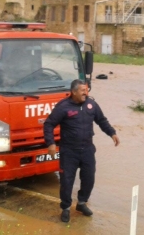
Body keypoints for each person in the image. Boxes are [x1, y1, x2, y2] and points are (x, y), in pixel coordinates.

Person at [43, 80, 120, 223]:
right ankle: (65, 208)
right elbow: (49, 124)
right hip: (69, 151)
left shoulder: (91, 105)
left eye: (87, 90)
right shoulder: (63, 106)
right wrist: (51, 143)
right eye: (83, 90)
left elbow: (102, 121)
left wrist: (112, 133)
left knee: (89, 179)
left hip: (87, 150)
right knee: (66, 181)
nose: (86, 93)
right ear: (74, 92)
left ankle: (81, 203)